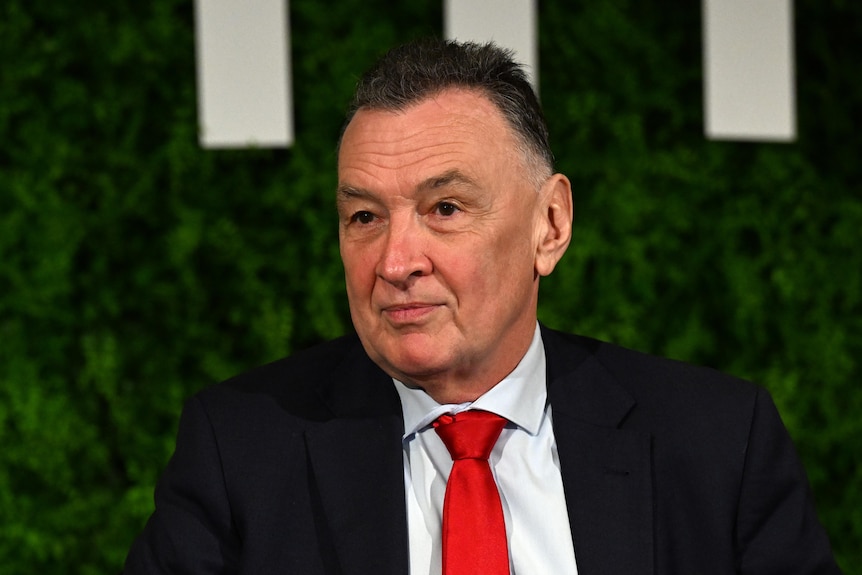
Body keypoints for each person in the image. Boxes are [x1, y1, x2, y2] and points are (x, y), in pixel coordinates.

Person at [124, 38, 841, 574]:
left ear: (549, 226)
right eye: (364, 217)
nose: (396, 262)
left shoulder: (716, 443)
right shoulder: (240, 448)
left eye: (444, 207)